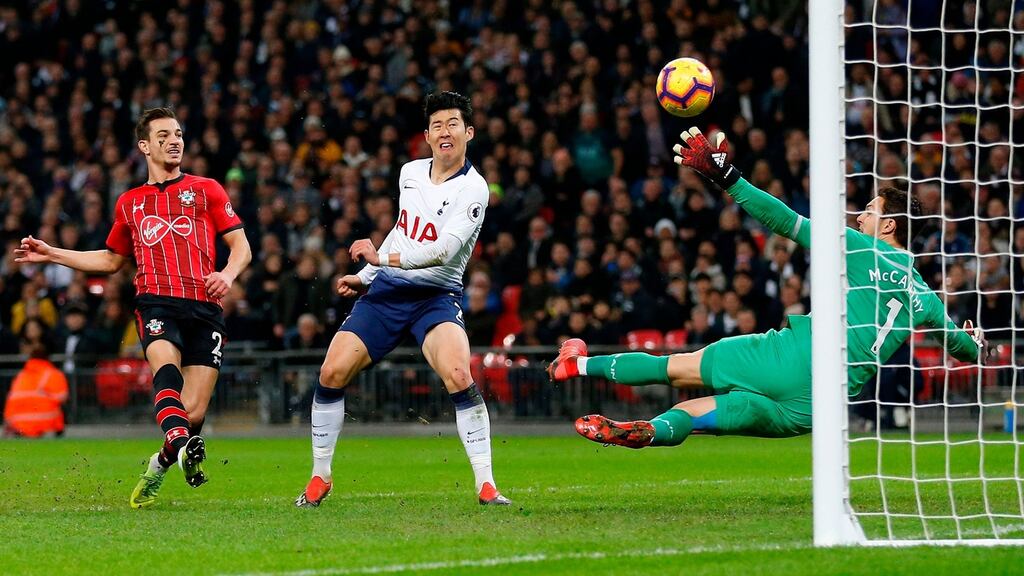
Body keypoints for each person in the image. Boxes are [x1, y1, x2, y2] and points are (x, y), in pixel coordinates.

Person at [549, 127, 988, 448]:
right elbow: (964, 351)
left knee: (676, 368)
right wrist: (976, 342)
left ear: (889, 225)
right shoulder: (926, 299)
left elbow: (784, 219)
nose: (859, 217)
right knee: (692, 415)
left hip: (791, 360)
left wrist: (729, 178)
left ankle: (578, 365)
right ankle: (649, 431)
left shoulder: (860, 249)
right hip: (814, 410)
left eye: (869, 212)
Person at [14, 107, 252, 507]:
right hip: (155, 301)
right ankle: (179, 444)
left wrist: (227, 276)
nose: (174, 141)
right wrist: (52, 253)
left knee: (192, 413)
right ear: (145, 146)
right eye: (163, 136)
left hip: (205, 306)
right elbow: (110, 260)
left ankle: (160, 463)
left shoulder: (207, 188)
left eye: (177, 134)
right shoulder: (130, 203)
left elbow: (241, 246)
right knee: (166, 372)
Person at [296, 91, 510, 507]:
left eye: (453, 124)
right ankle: (320, 476)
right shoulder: (410, 172)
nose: (444, 131)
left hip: (436, 295)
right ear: (427, 136)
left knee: (459, 375)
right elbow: (402, 230)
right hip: (388, 291)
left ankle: (487, 485)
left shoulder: (474, 189)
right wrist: (366, 276)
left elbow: (442, 251)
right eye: (437, 125)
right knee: (331, 370)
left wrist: (380, 256)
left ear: (469, 132)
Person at [3, 328, 68, 437]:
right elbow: (62, 397)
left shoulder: (21, 375)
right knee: (59, 409)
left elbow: (11, 399)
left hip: (17, 422)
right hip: (44, 421)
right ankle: (57, 433)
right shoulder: (52, 373)